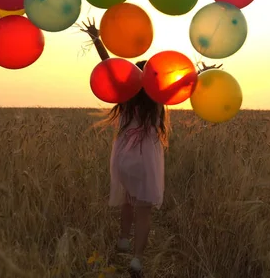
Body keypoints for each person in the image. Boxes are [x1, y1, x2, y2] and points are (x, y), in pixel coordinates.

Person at [80, 18, 202, 277]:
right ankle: (136, 260)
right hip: (147, 159)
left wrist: (96, 39)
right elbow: (180, 84)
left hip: (123, 157)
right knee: (144, 209)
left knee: (127, 198)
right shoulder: (158, 100)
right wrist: (199, 73)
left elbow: (109, 68)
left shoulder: (123, 97)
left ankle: (123, 240)